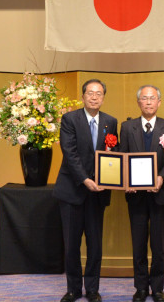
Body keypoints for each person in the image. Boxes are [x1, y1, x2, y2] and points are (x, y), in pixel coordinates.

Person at [53, 79, 118, 302]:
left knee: (95, 244)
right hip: (72, 191)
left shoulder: (110, 121)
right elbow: (69, 153)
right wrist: (85, 179)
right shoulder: (70, 119)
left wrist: (111, 178)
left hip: (98, 194)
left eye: (99, 93)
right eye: (90, 93)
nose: (94, 97)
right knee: (71, 244)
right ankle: (73, 289)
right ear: (83, 96)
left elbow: (113, 154)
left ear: (103, 98)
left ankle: (92, 289)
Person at [120, 85, 164, 302]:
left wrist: (161, 177)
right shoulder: (127, 127)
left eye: (152, 98)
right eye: (144, 98)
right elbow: (122, 157)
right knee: (138, 243)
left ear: (159, 102)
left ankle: (157, 288)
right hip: (135, 195)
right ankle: (140, 288)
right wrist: (126, 180)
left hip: (160, 194)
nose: (148, 102)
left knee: (158, 244)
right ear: (138, 102)